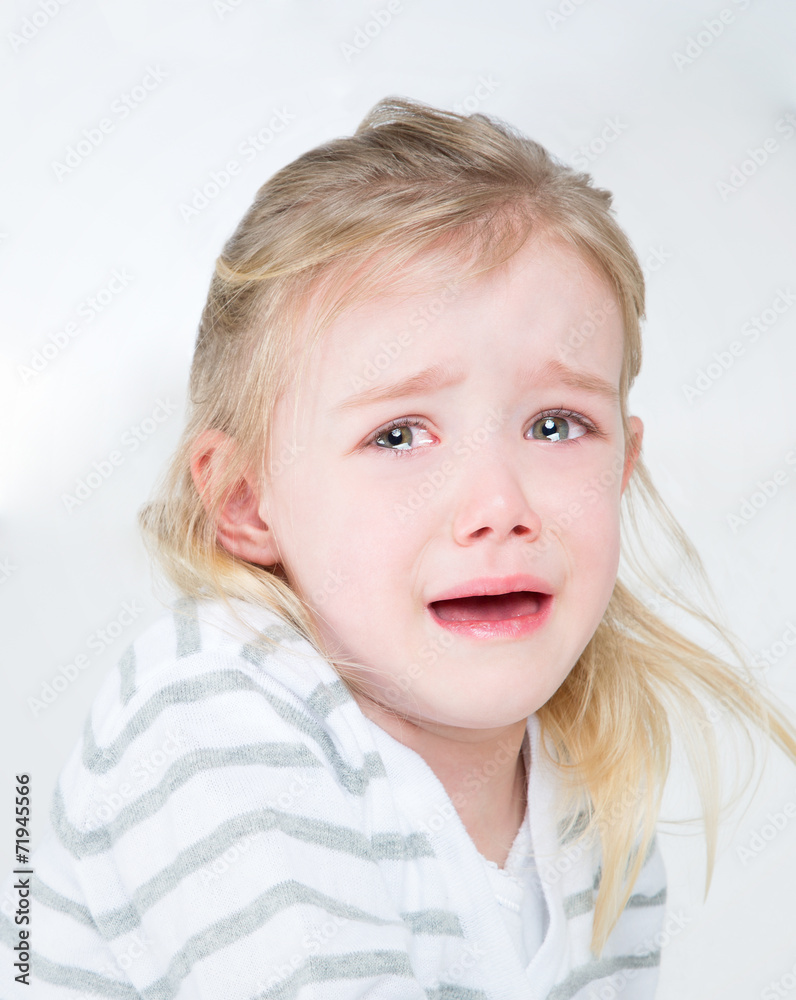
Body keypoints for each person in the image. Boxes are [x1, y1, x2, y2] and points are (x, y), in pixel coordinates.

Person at [2, 96, 794, 1000]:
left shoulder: (593, 800)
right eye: (399, 436)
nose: (499, 507)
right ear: (245, 500)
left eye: (555, 423)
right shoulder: (205, 715)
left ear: (624, 466)